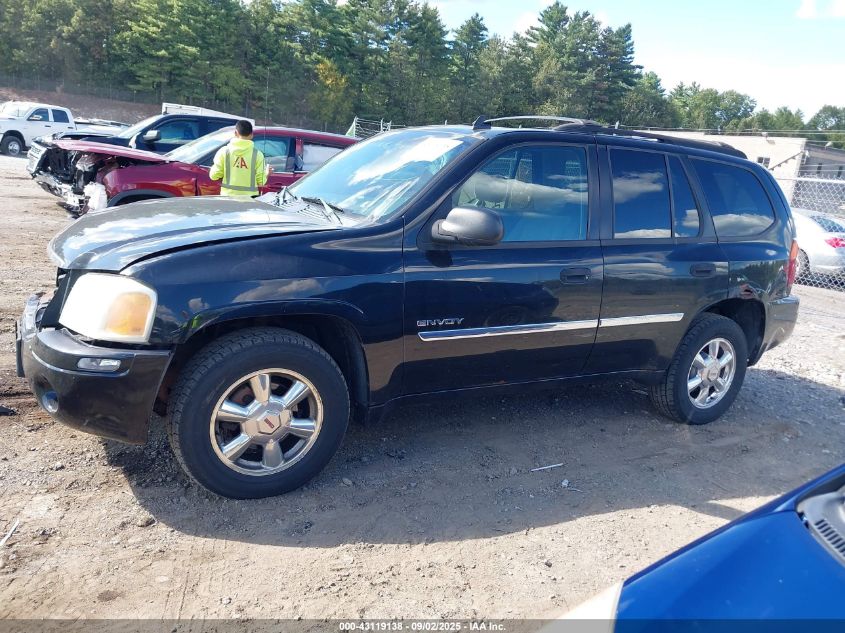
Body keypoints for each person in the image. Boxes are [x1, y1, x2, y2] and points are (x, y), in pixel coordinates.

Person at [209, 120, 270, 196]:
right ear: (251, 135)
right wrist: (267, 174)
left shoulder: (224, 152)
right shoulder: (258, 155)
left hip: (227, 197)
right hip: (249, 199)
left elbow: (214, 176)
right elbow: (261, 182)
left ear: (235, 133)